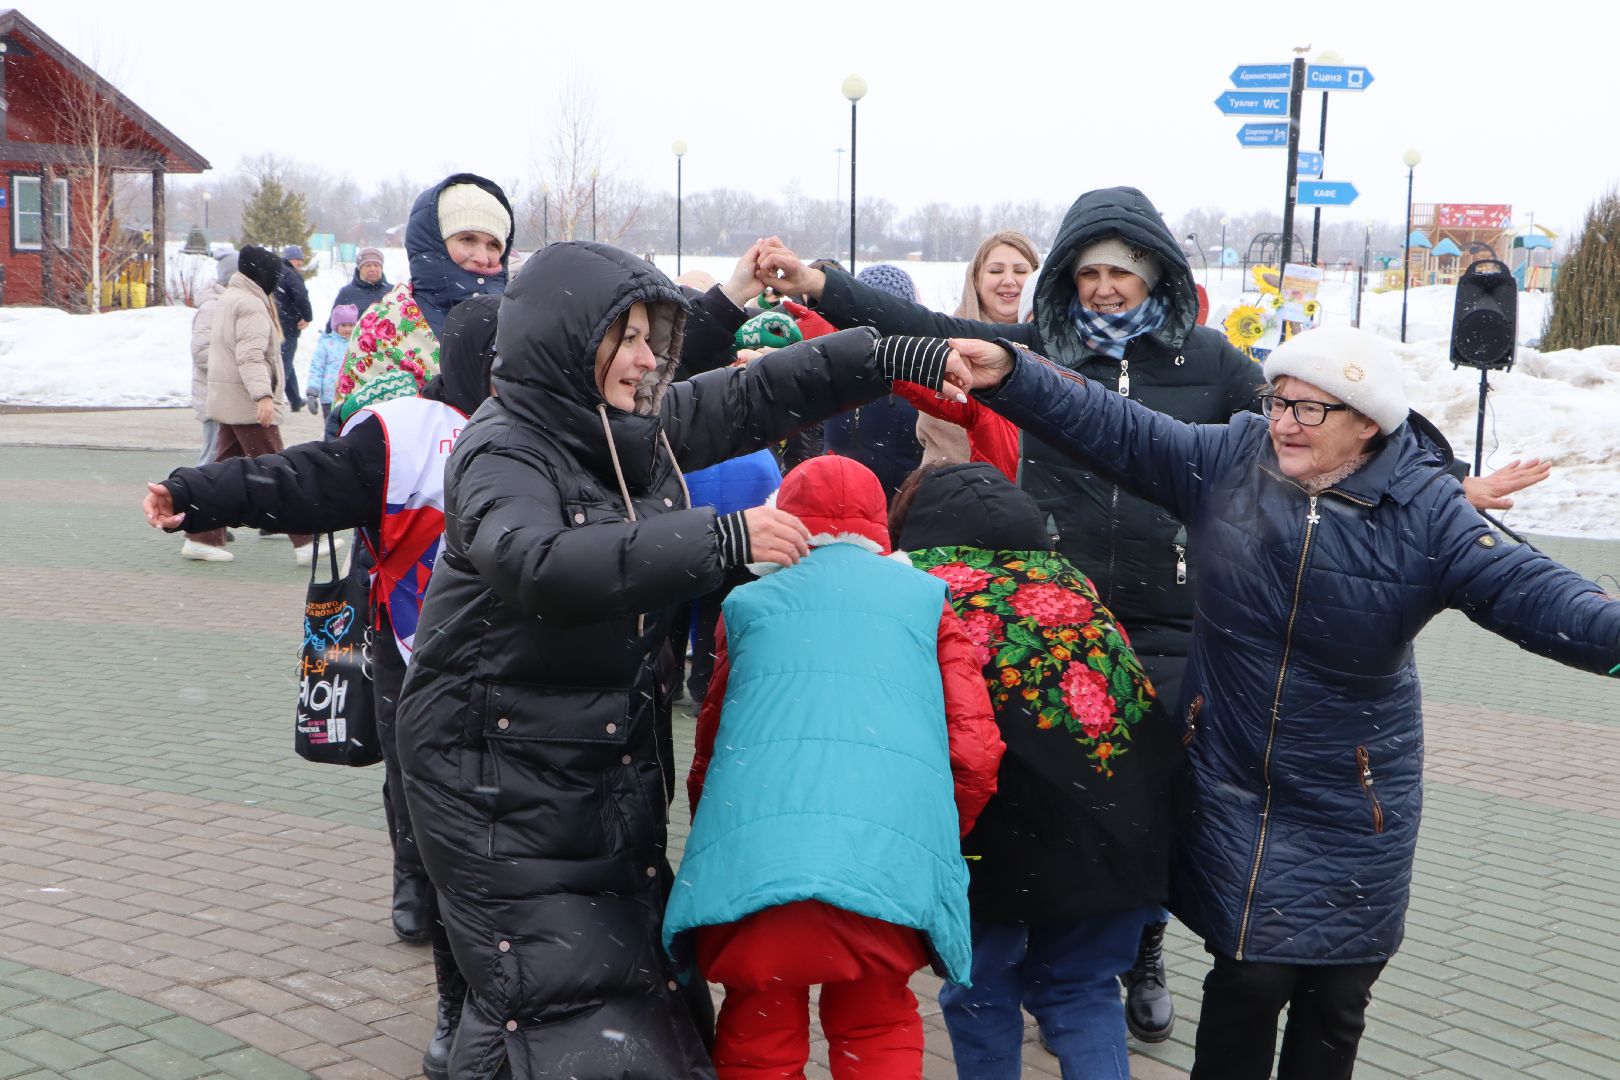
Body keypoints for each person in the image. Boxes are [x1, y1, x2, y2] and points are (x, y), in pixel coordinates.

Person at [943, 323, 1620, 1080]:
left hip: (1354, 796)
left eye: (1311, 410)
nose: (1285, 423)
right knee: (1249, 977)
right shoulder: (1230, 461)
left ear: (1367, 424)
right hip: (1234, 779)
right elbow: (1114, 424)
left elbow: (1541, 594)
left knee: (1338, 993)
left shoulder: (1427, 511)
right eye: (1280, 401)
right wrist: (1010, 372)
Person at [393, 239, 969, 1079]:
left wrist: (898, 355)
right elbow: (537, 560)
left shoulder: (629, 428)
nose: (645, 357)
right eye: (621, 337)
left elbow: (760, 390)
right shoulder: (503, 447)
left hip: (590, 752)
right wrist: (721, 538)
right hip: (491, 765)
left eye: (647, 337)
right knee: (559, 1000)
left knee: (617, 999)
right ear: (563, 342)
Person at [759, 188, 1254, 1038]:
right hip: (1056, 609)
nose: (1104, 289)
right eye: (1090, 272)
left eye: (1122, 275)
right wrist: (820, 283)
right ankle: (1023, 956)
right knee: (1043, 789)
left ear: (1157, 279)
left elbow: (1286, 431)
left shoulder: (1213, 361)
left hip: (1173, 612)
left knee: (1155, 789)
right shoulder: (1037, 352)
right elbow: (908, 328)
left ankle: (1138, 946)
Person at [144, 293, 501, 1080]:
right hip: (414, 655)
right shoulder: (406, 432)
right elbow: (304, 476)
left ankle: (489, 989)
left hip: (519, 669)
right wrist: (199, 493)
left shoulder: (570, 432)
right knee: (424, 807)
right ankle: (450, 989)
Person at [665, 454, 1003, 1080]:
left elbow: (711, 750)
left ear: (785, 518)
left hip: (761, 855)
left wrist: (725, 834)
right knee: (877, 1021)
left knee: (758, 1020)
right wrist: (926, 835)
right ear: (880, 523)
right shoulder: (927, 600)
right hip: (884, 862)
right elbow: (975, 753)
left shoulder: (747, 605)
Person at [890, 461, 1181, 1077]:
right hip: (1121, 830)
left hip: (995, 838)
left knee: (981, 992)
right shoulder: (1071, 581)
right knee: (1080, 990)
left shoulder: (921, 592)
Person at [177, 244, 313, 563]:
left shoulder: (230, 298)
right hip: (247, 404)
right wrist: (263, 396)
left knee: (221, 473)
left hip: (231, 400)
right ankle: (306, 541)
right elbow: (251, 356)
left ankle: (202, 536)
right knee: (279, 471)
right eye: (275, 276)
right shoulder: (251, 304)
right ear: (262, 275)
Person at [821, 263, 927, 496]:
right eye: (867, 310)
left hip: (903, 513)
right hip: (840, 506)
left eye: (890, 310)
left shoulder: (923, 377)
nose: (879, 322)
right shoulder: (833, 370)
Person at [189, 251, 237, 467]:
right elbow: (201, 352)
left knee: (223, 454)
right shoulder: (212, 307)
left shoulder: (230, 304)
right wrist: (234, 364)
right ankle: (194, 496)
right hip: (213, 394)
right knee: (212, 455)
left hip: (226, 393)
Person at [274, 244, 313, 412]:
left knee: (284, 361)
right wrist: (307, 316)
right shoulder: (292, 274)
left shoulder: (274, 272)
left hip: (274, 323)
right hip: (289, 324)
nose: (300, 266)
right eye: (299, 262)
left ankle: (295, 399)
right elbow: (301, 297)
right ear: (295, 260)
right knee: (284, 364)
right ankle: (275, 400)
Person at [306, 304, 356, 421]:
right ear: (335, 325)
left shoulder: (357, 344)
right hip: (330, 398)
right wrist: (312, 393)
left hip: (351, 397)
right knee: (332, 430)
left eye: (351, 325)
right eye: (343, 325)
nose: (348, 329)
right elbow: (317, 369)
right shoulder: (326, 345)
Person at [327, 246, 391, 330]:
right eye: (368, 265)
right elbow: (333, 324)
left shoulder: (393, 292)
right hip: (355, 342)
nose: (372, 269)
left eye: (376, 265)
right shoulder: (346, 293)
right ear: (359, 269)